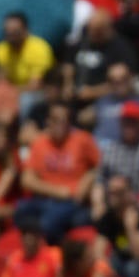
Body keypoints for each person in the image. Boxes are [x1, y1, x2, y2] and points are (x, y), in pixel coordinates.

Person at [14, 102, 100, 243]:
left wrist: (88, 178)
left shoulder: (82, 139)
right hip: (46, 198)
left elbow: (101, 166)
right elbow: (26, 180)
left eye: (65, 120)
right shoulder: (40, 143)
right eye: (55, 119)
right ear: (47, 121)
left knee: (48, 223)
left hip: (72, 200)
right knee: (21, 210)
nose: (61, 124)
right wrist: (56, 191)